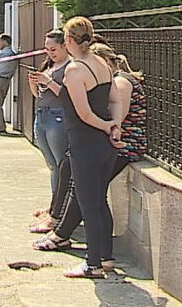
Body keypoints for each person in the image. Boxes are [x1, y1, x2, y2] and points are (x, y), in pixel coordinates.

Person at [32, 42, 147, 276]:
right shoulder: (108, 80)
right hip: (106, 140)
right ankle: (102, 256)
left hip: (118, 144)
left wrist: (108, 127)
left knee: (88, 198)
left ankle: (86, 255)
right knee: (79, 182)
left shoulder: (120, 81)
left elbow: (109, 114)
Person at [57, 17, 121, 279]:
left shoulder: (74, 70)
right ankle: (106, 257)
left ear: (69, 40)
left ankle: (92, 264)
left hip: (85, 144)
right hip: (104, 146)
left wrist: (106, 126)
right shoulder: (102, 64)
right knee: (100, 201)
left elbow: (83, 113)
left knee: (88, 204)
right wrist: (114, 124)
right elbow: (114, 98)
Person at [28, 30, 71, 208]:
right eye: (46, 49)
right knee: (52, 164)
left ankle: (60, 207)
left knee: (61, 164)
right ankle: (55, 205)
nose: (50, 53)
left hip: (57, 117)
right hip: (42, 115)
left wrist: (48, 82)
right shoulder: (49, 66)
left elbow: (67, 96)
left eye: (53, 49)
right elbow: (39, 95)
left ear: (64, 46)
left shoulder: (70, 67)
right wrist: (34, 84)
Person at [0, 33, 17, 134]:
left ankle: (0, 126)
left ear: (5, 42)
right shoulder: (13, 54)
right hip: (7, 80)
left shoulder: (1, 53)